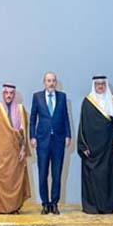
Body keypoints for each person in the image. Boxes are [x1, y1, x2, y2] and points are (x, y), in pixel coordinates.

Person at [77, 76, 113, 214]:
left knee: (109, 176)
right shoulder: (87, 102)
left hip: (109, 146)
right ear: (94, 85)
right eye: (97, 84)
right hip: (92, 149)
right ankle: (93, 206)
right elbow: (82, 125)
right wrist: (83, 145)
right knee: (94, 177)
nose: (100, 86)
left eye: (103, 84)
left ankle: (111, 204)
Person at [0, 83, 31, 214]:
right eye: (6, 93)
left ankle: (14, 207)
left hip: (15, 152)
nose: (8, 96)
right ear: (3, 94)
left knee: (14, 181)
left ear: (14, 95)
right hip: (0, 152)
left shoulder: (21, 110)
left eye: (11, 93)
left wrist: (23, 149)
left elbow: (24, 131)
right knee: (1, 180)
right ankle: (0, 208)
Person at [30, 72, 71, 215]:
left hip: (58, 140)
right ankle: (45, 204)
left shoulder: (62, 97)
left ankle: (54, 203)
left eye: (53, 80)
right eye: (48, 80)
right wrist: (32, 136)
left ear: (56, 82)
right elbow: (32, 119)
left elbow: (65, 117)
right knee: (42, 174)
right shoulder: (37, 97)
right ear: (44, 82)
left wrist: (68, 135)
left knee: (57, 174)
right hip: (42, 141)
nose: (51, 83)